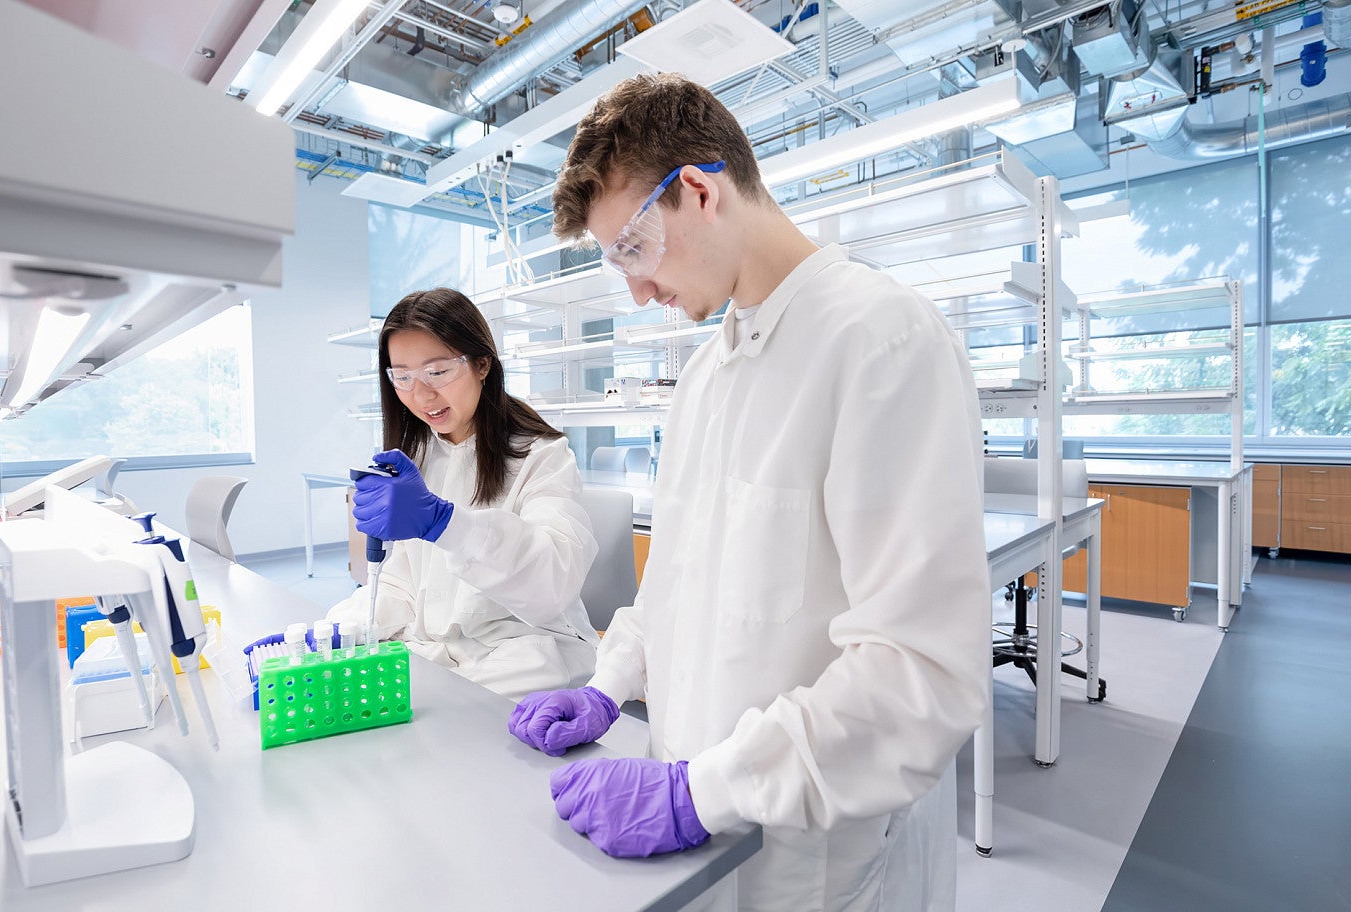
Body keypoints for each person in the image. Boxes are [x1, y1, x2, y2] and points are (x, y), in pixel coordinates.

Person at [507, 74, 990, 910]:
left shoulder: (882, 342)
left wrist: (704, 792)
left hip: (807, 855)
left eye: (633, 248)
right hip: (692, 835)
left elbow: (921, 673)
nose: (636, 289)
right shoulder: (706, 374)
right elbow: (677, 585)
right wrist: (607, 680)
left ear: (697, 190)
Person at [328, 287, 600, 701]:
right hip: (440, 653)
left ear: (482, 364)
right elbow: (400, 584)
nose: (421, 396)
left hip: (525, 656)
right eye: (402, 377)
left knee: (437, 720)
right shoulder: (415, 456)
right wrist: (338, 630)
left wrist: (445, 525)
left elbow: (551, 583)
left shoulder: (542, 456)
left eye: (437, 372)